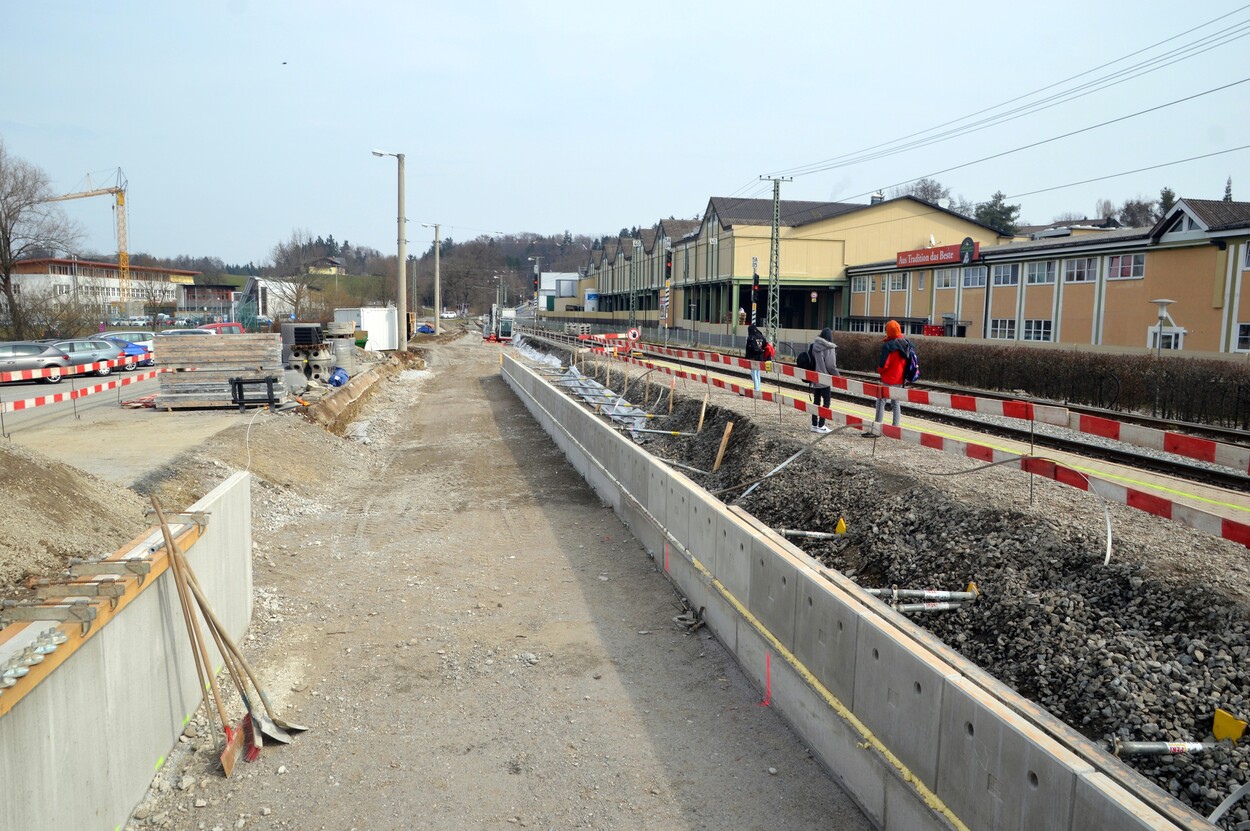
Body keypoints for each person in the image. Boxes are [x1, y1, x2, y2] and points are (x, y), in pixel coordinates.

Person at [865, 319, 909, 436]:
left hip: (889, 379)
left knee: (881, 401)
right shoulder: (905, 343)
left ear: (888, 331)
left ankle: (877, 428)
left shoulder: (888, 346)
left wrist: (879, 371)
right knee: (895, 403)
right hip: (900, 379)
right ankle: (895, 428)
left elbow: (884, 365)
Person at [807, 327, 839, 433]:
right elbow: (831, 366)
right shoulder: (829, 348)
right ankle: (821, 425)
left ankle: (814, 425)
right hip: (825, 380)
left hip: (814, 379)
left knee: (816, 402)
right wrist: (838, 377)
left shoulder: (813, 346)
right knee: (826, 403)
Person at [744, 324, 769, 392]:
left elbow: (752, 348)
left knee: (753, 373)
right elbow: (765, 345)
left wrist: (748, 357)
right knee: (758, 372)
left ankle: (756, 388)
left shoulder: (751, 337)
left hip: (753, 357)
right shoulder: (762, 336)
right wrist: (762, 351)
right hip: (761, 357)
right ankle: (758, 387)